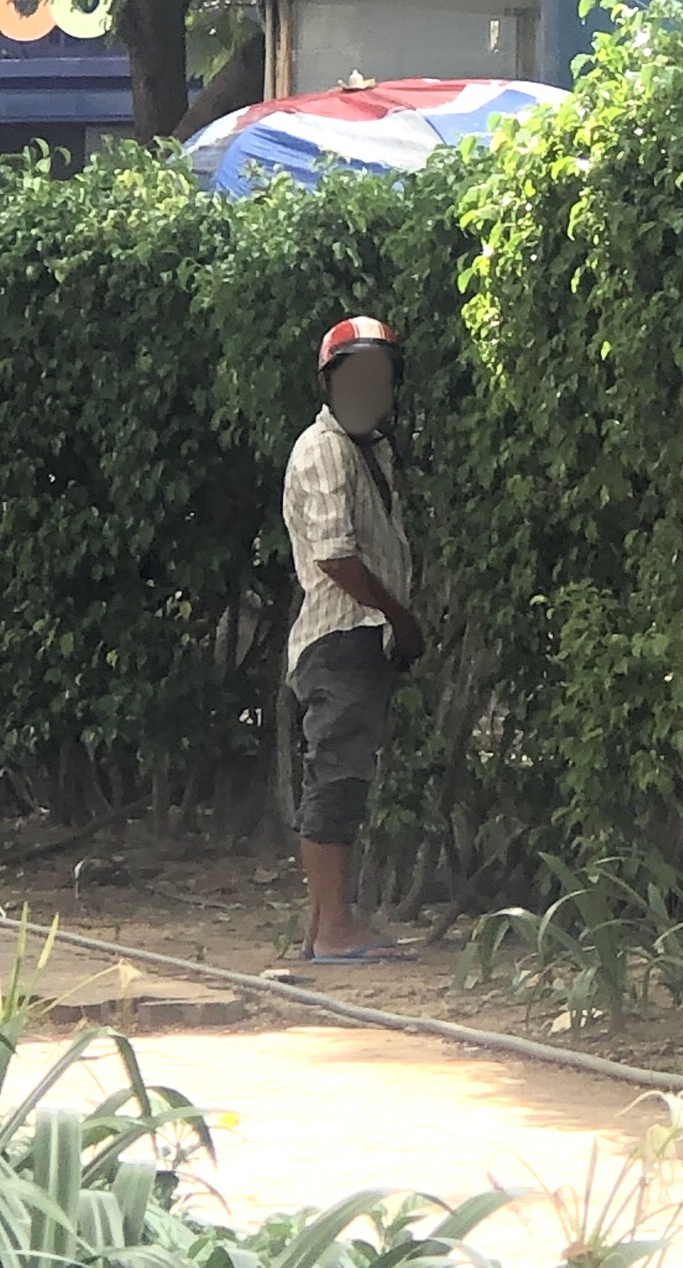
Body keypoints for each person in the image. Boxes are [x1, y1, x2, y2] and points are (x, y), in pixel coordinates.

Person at [281, 316, 425, 963]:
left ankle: (325, 927)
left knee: (343, 771)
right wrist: (398, 616)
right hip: (343, 633)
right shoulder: (324, 448)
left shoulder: (371, 450)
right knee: (337, 773)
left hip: (360, 634)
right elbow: (337, 556)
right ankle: (335, 930)